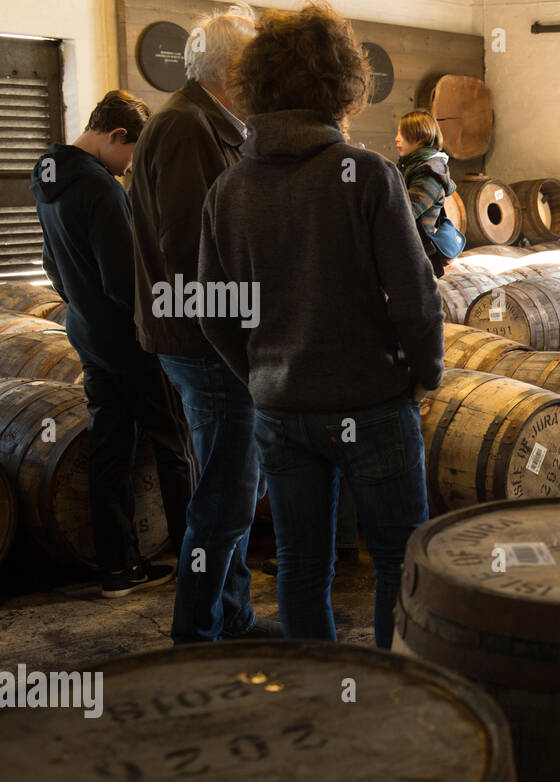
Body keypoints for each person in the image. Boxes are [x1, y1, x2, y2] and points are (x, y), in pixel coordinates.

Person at [198, 2, 444, 649]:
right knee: (397, 560)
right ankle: (391, 691)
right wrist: (425, 371)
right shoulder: (365, 175)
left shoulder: (230, 188)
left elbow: (210, 309)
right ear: (343, 84)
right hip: (371, 403)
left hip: (280, 407)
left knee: (303, 564)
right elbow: (415, 294)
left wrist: (257, 373)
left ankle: (317, 696)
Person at [130, 2, 279, 642]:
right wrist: (242, 329)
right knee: (224, 497)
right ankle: (198, 632)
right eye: (258, 68)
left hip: (205, 338)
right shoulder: (187, 127)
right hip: (205, 342)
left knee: (231, 491)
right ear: (232, 71)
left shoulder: (205, 122)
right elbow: (191, 249)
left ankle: (232, 617)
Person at [31, 91, 191, 597]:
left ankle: (118, 571)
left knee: (110, 447)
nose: (129, 170)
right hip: (132, 340)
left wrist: (82, 306)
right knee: (173, 443)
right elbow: (126, 282)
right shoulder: (100, 189)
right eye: (132, 157)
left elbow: (51, 264)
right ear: (117, 136)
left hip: (88, 334)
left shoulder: (47, 178)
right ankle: (195, 562)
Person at [394, 109, 458, 278]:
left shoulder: (430, 173)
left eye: (403, 133)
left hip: (418, 257)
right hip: (408, 250)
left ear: (421, 138)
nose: (397, 138)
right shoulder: (412, 166)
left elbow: (405, 213)